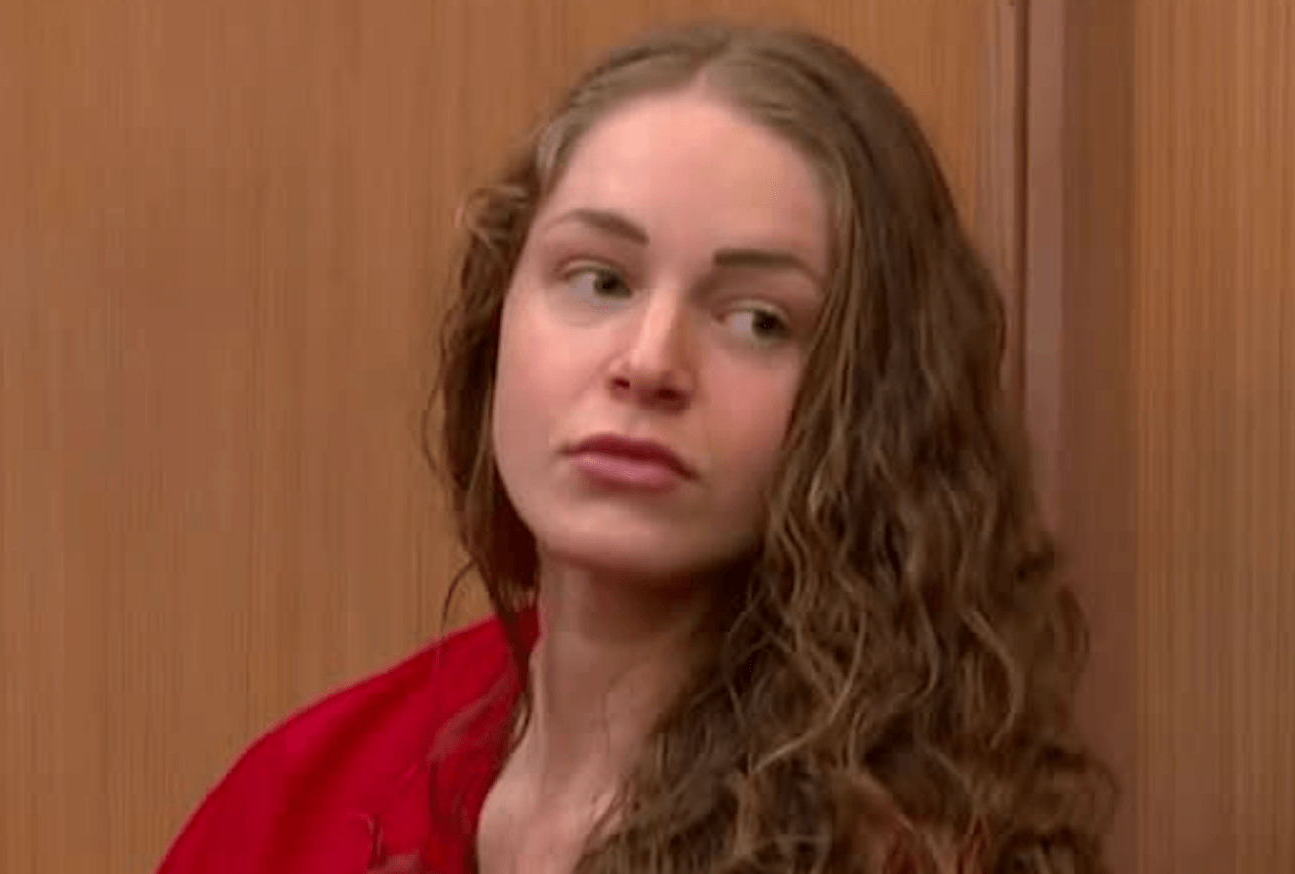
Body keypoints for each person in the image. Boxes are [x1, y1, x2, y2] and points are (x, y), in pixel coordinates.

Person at [156, 21, 1115, 874]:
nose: (650, 362)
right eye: (600, 281)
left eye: (757, 319)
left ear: (872, 404)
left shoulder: (909, 844)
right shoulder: (305, 794)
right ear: (500, 318)